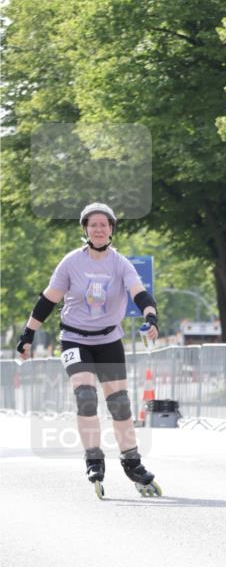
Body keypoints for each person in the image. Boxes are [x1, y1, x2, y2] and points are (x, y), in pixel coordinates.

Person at [16, 202, 161, 498]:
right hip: (75, 338)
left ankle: (132, 462)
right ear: (85, 229)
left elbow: (140, 293)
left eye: (103, 225)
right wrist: (28, 333)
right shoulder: (71, 262)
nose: (98, 229)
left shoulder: (121, 263)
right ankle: (94, 459)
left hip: (109, 339)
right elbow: (48, 300)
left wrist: (151, 317)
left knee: (119, 403)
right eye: (93, 225)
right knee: (85, 397)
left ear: (111, 230)